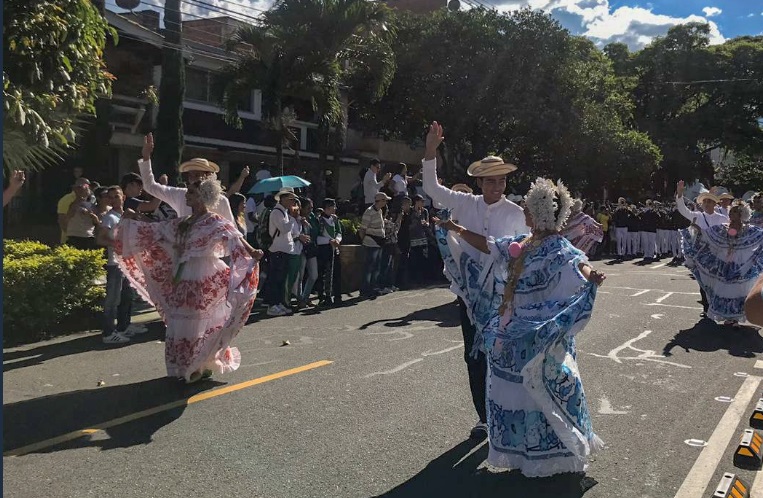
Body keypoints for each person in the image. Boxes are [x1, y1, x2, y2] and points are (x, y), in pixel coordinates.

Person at [436, 177, 605, 478]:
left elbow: (577, 263)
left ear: (540, 212)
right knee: (513, 389)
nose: (523, 212)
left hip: (539, 331)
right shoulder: (525, 243)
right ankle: (521, 453)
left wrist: (591, 275)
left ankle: (550, 454)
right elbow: (490, 247)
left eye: (528, 208)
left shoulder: (556, 245)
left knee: (540, 387)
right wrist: (457, 230)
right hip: (512, 329)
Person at [422, 121, 528, 441]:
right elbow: (433, 190)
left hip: (501, 298)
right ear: (480, 181)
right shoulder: (465, 202)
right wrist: (430, 152)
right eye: (492, 181)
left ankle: (506, 413)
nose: (498, 186)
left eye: (502, 181)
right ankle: (484, 417)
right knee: (474, 355)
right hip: (469, 296)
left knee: (502, 356)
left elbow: (511, 253)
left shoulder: (515, 213)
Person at [115, 178, 262, 383]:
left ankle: (198, 364)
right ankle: (188, 365)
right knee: (181, 320)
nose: (186, 196)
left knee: (199, 319)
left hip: (205, 275)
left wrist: (252, 251)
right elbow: (160, 228)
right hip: (183, 276)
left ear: (202, 197)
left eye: (191, 193)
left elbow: (234, 235)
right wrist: (136, 217)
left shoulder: (213, 220)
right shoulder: (184, 222)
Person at [682, 201, 763, 326]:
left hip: (741, 264)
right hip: (725, 263)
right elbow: (707, 234)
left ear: (742, 214)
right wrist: (697, 229)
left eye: (735, 212)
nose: (731, 214)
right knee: (726, 289)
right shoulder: (722, 227)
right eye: (731, 212)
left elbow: (760, 236)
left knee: (740, 289)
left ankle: (736, 317)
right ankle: (729, 317)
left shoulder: (749, 230)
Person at [97, 186, 147, 344]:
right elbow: (101, 239)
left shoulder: (127, 215)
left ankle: (124, 326)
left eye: (116, 196)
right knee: (112, 299)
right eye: (110, 197)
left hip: (128, 263)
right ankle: (108, 332)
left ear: (123, 197)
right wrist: (117, 244)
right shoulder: (109, 218)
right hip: (115, 264)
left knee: (127, 296)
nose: (113, 200)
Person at [676, 181, 729, 317]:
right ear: (702, 204)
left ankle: (716, 305)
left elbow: (728, 234)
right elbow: (683, 210)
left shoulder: (722, 218)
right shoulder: (697, 216)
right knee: (702, 281)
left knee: (717, 281)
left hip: (717, 253)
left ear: (714, 204)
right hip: (701, 253)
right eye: (705, 202)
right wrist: (680, 194)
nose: (707, 204)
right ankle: (706, 307)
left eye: (710, 202)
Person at [360, 192, 391, 297]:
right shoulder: (369, 212)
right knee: (369, 267)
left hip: (379, 242)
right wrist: (364, 240)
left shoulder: (380, 211)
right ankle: (365, 289)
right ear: (380, 201)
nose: (386, 202)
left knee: (376, 267)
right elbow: (363, 229)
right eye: (385, 200)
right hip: (370, 242)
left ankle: (373, 287)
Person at [316, 198, 343, 306]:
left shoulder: (335, 219)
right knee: (324, 273)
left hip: (334, 247)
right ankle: (325, 296)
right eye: (333, 206)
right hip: (324, 249)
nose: (335, 209)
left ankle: (337, 295)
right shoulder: (320, 220)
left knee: (336, 272)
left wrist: (337, 240)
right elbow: (317, 237)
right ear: (327, 208)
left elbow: (339, 232)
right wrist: (328, 241)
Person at [64, 178, 100, 250]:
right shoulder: (72, 203)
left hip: (89, 236)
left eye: (84, 187)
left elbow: (97, 222)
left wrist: (92, 216)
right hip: (74, 236)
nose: (81, 189)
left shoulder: (94, 203)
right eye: (78, 188)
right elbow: (67, 217)